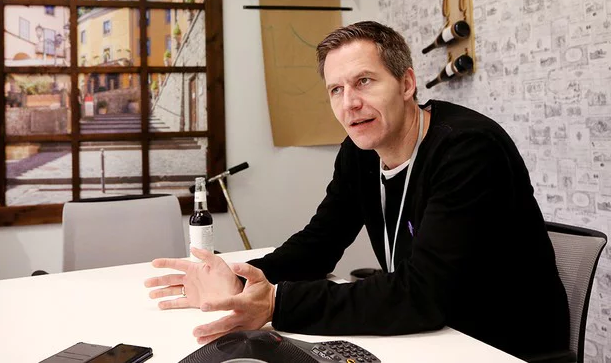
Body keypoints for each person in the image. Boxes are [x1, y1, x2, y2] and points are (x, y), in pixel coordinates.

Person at [144, 21, 570, 359]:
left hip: (499, 345)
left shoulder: (468, 149)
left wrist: (277, 304)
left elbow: (424, 296)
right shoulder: (360, 151)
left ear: (406, 84)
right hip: (429, 334)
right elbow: (319, 244)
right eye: (336, 89)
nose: (349, 103)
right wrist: (238, 278)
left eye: (364, 81)